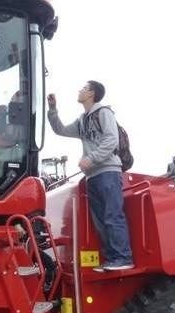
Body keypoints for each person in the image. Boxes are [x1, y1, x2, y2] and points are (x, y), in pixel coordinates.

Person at [47, 81, 133, 271]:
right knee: (101, 220)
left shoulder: (104, 113)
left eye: (84, 88)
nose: (80, 90)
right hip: (94, 175)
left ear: (92, 94)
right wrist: (52, 110)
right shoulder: (83, 120)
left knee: (112, 215)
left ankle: (123, 258)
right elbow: (60, 130)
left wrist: (91, 158)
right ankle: (112, 259)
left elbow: (112, 139)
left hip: (108, 171)